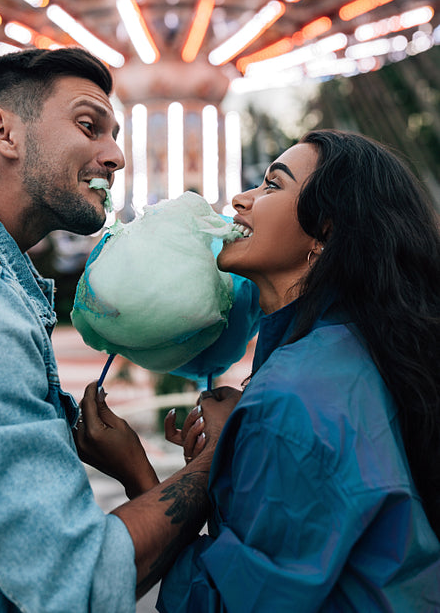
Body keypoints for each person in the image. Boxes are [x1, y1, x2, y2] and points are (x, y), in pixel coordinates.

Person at [0, 47, 228, 612]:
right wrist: (213, 461)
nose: (116, 155)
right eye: (88, 125)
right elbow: (78, 582)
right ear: (2, 130)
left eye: (114, 134)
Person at [158, 129, 440, 612]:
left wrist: (157, 475)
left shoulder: (290, 400)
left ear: (325, 230)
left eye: (271, 185)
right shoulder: (354, 347)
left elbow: (238, 601)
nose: (240, 199)